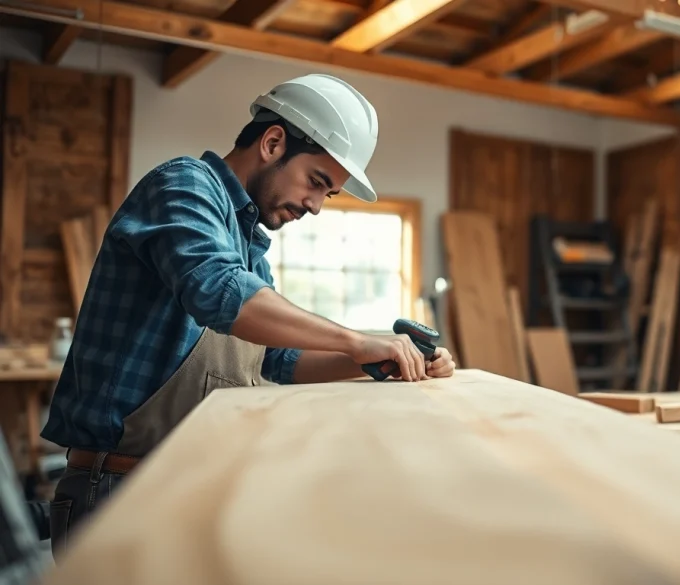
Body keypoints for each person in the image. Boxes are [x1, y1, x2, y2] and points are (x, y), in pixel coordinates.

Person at [41, 74, 456, 556]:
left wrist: (388, 360)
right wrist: (356, 340)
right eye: (316, 182)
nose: (316, 206)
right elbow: (218, 290)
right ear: (273, 142)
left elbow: (277, 359)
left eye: (329, 194)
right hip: (117, 489)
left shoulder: (249, 244)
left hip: (190, 481)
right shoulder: (182, 184)